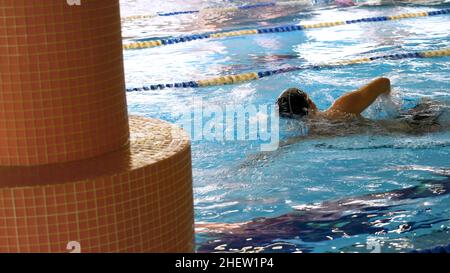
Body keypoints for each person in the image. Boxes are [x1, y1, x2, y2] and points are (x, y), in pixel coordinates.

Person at [276, 77, 445, 140]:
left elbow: (277, 149)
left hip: (400, 135)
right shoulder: (341, 108)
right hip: (414, 124)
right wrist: (389, 104)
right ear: (310, 101)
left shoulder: (310, 136)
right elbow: (383, 82)